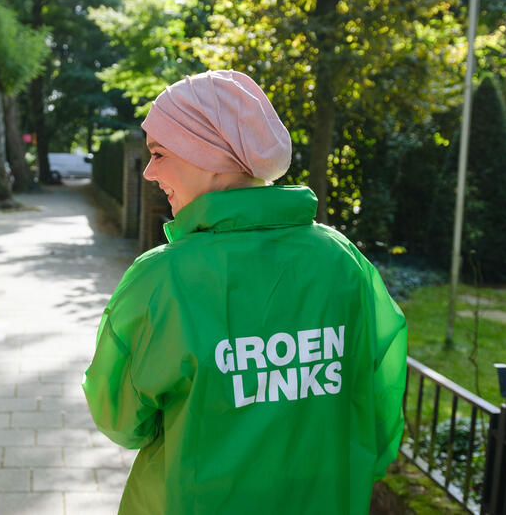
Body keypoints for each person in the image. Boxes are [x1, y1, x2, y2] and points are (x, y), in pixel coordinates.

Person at [82, 70, 407, 514]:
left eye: (159, 153)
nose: (149, 171)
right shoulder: (341, 261)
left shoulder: (161, 280)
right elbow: (378, 409)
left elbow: (120, 419)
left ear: (210, 155)